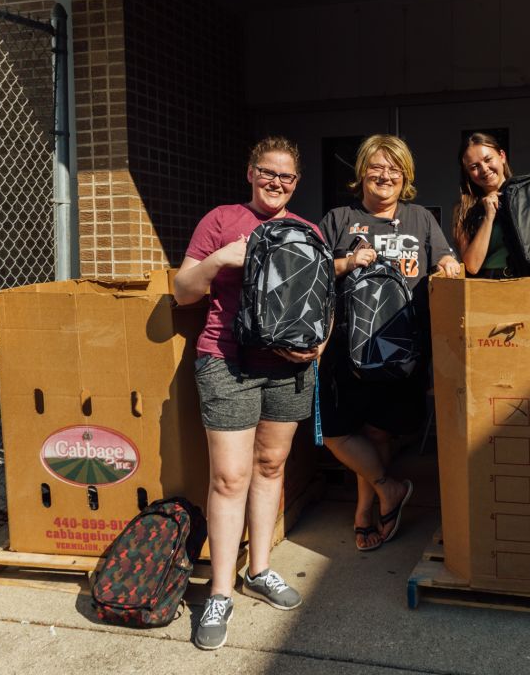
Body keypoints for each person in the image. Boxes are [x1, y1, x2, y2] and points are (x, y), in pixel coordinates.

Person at [173, 136, 328, 651]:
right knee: (229, 476)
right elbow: (183, 289)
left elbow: (321, 303)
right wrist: (220, 258)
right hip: (228, 361)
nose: (277, 182)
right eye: (268, 172)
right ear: (250, 172)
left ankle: (258, 569)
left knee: (270, 467)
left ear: (296, 182)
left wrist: (318, 346)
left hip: (288, 369)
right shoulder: (221, 220)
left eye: (286, 176)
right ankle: (219, 591)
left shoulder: (306, 231)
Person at [318, 134, 460, 552]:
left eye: (394, 169)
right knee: (336, 431)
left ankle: (366, 510)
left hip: (400, 347)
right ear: (362, 173)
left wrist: (449, 262)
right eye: (377, 167)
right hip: (347, 345)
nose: (385, 175)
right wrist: (346, 262)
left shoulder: (419, 219)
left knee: (378, 432)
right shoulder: (339, 219)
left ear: (406, 177)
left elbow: (444, 260)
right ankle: (388, 488)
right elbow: (314, 275)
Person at [451, 132, 530, 278]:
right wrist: (489, 217)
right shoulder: (464, 209)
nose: (484, 169)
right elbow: (472, 266)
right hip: (487, 288)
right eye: (474, 166)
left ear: (502, 156)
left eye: (488, 159)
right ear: (468, 173)